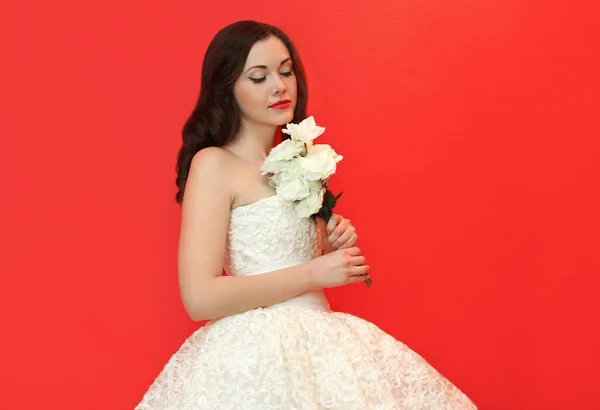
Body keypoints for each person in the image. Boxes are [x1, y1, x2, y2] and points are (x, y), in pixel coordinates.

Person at [135, 20, 477, 410]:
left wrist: (328, 241)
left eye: (285, 71)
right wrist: (313, 274)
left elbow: (286, 252)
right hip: (255, 355)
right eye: (259, 77)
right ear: (227, 89)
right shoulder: (214, 164)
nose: (279, 86)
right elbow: (200, 297)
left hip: (320, 343)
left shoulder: (299, 161)